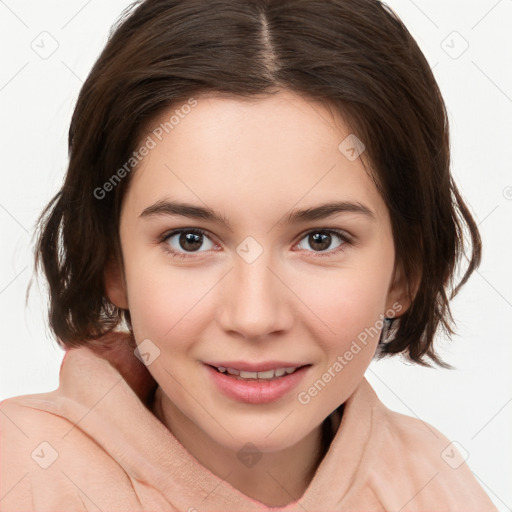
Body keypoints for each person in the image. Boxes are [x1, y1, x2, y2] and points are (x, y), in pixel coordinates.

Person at [0, 0, 498, 510]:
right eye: (189, 239)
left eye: (320, 239)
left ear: (404, 273)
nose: (255, 317)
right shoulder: (18, 474)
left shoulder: (438, 486)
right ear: (113, 264)